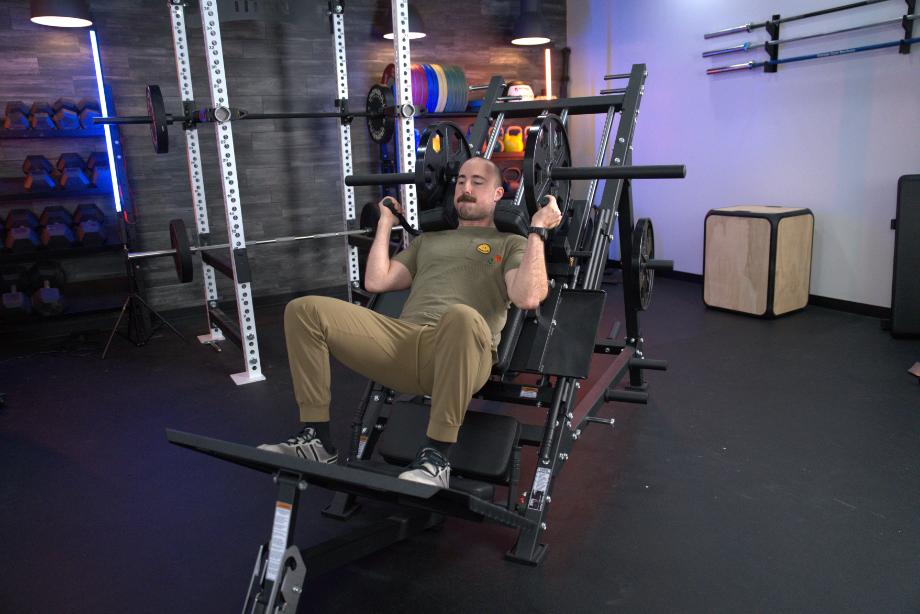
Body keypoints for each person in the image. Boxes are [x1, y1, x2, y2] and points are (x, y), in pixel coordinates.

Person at [260, 156, 562, 487]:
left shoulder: (512, 243)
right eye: (461, 181)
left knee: (459, 316)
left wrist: (536, 231)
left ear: (498, 194)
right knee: (304, 310)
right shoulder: (428, 242)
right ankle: (316, 439)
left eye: (478, 182)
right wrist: (386, 223)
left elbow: (528, 297)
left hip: (462, 352)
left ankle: (435, 458)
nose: (466, 188)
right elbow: (376, 280)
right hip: (402, 344)